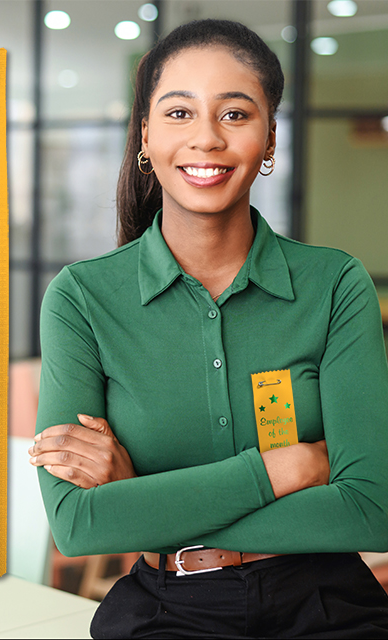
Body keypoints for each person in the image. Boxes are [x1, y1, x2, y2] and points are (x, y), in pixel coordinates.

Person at [29, 19, 388, 639]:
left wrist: (141, 500)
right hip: (168, 608)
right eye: (178, 113)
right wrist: (285, 469)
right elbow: (80, 526)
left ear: (270, 137)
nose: (206, 139)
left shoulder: (335, 285)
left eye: (235, 114)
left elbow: (371, 509)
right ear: (145, 135)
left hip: (328, 603)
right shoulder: (82, 299)